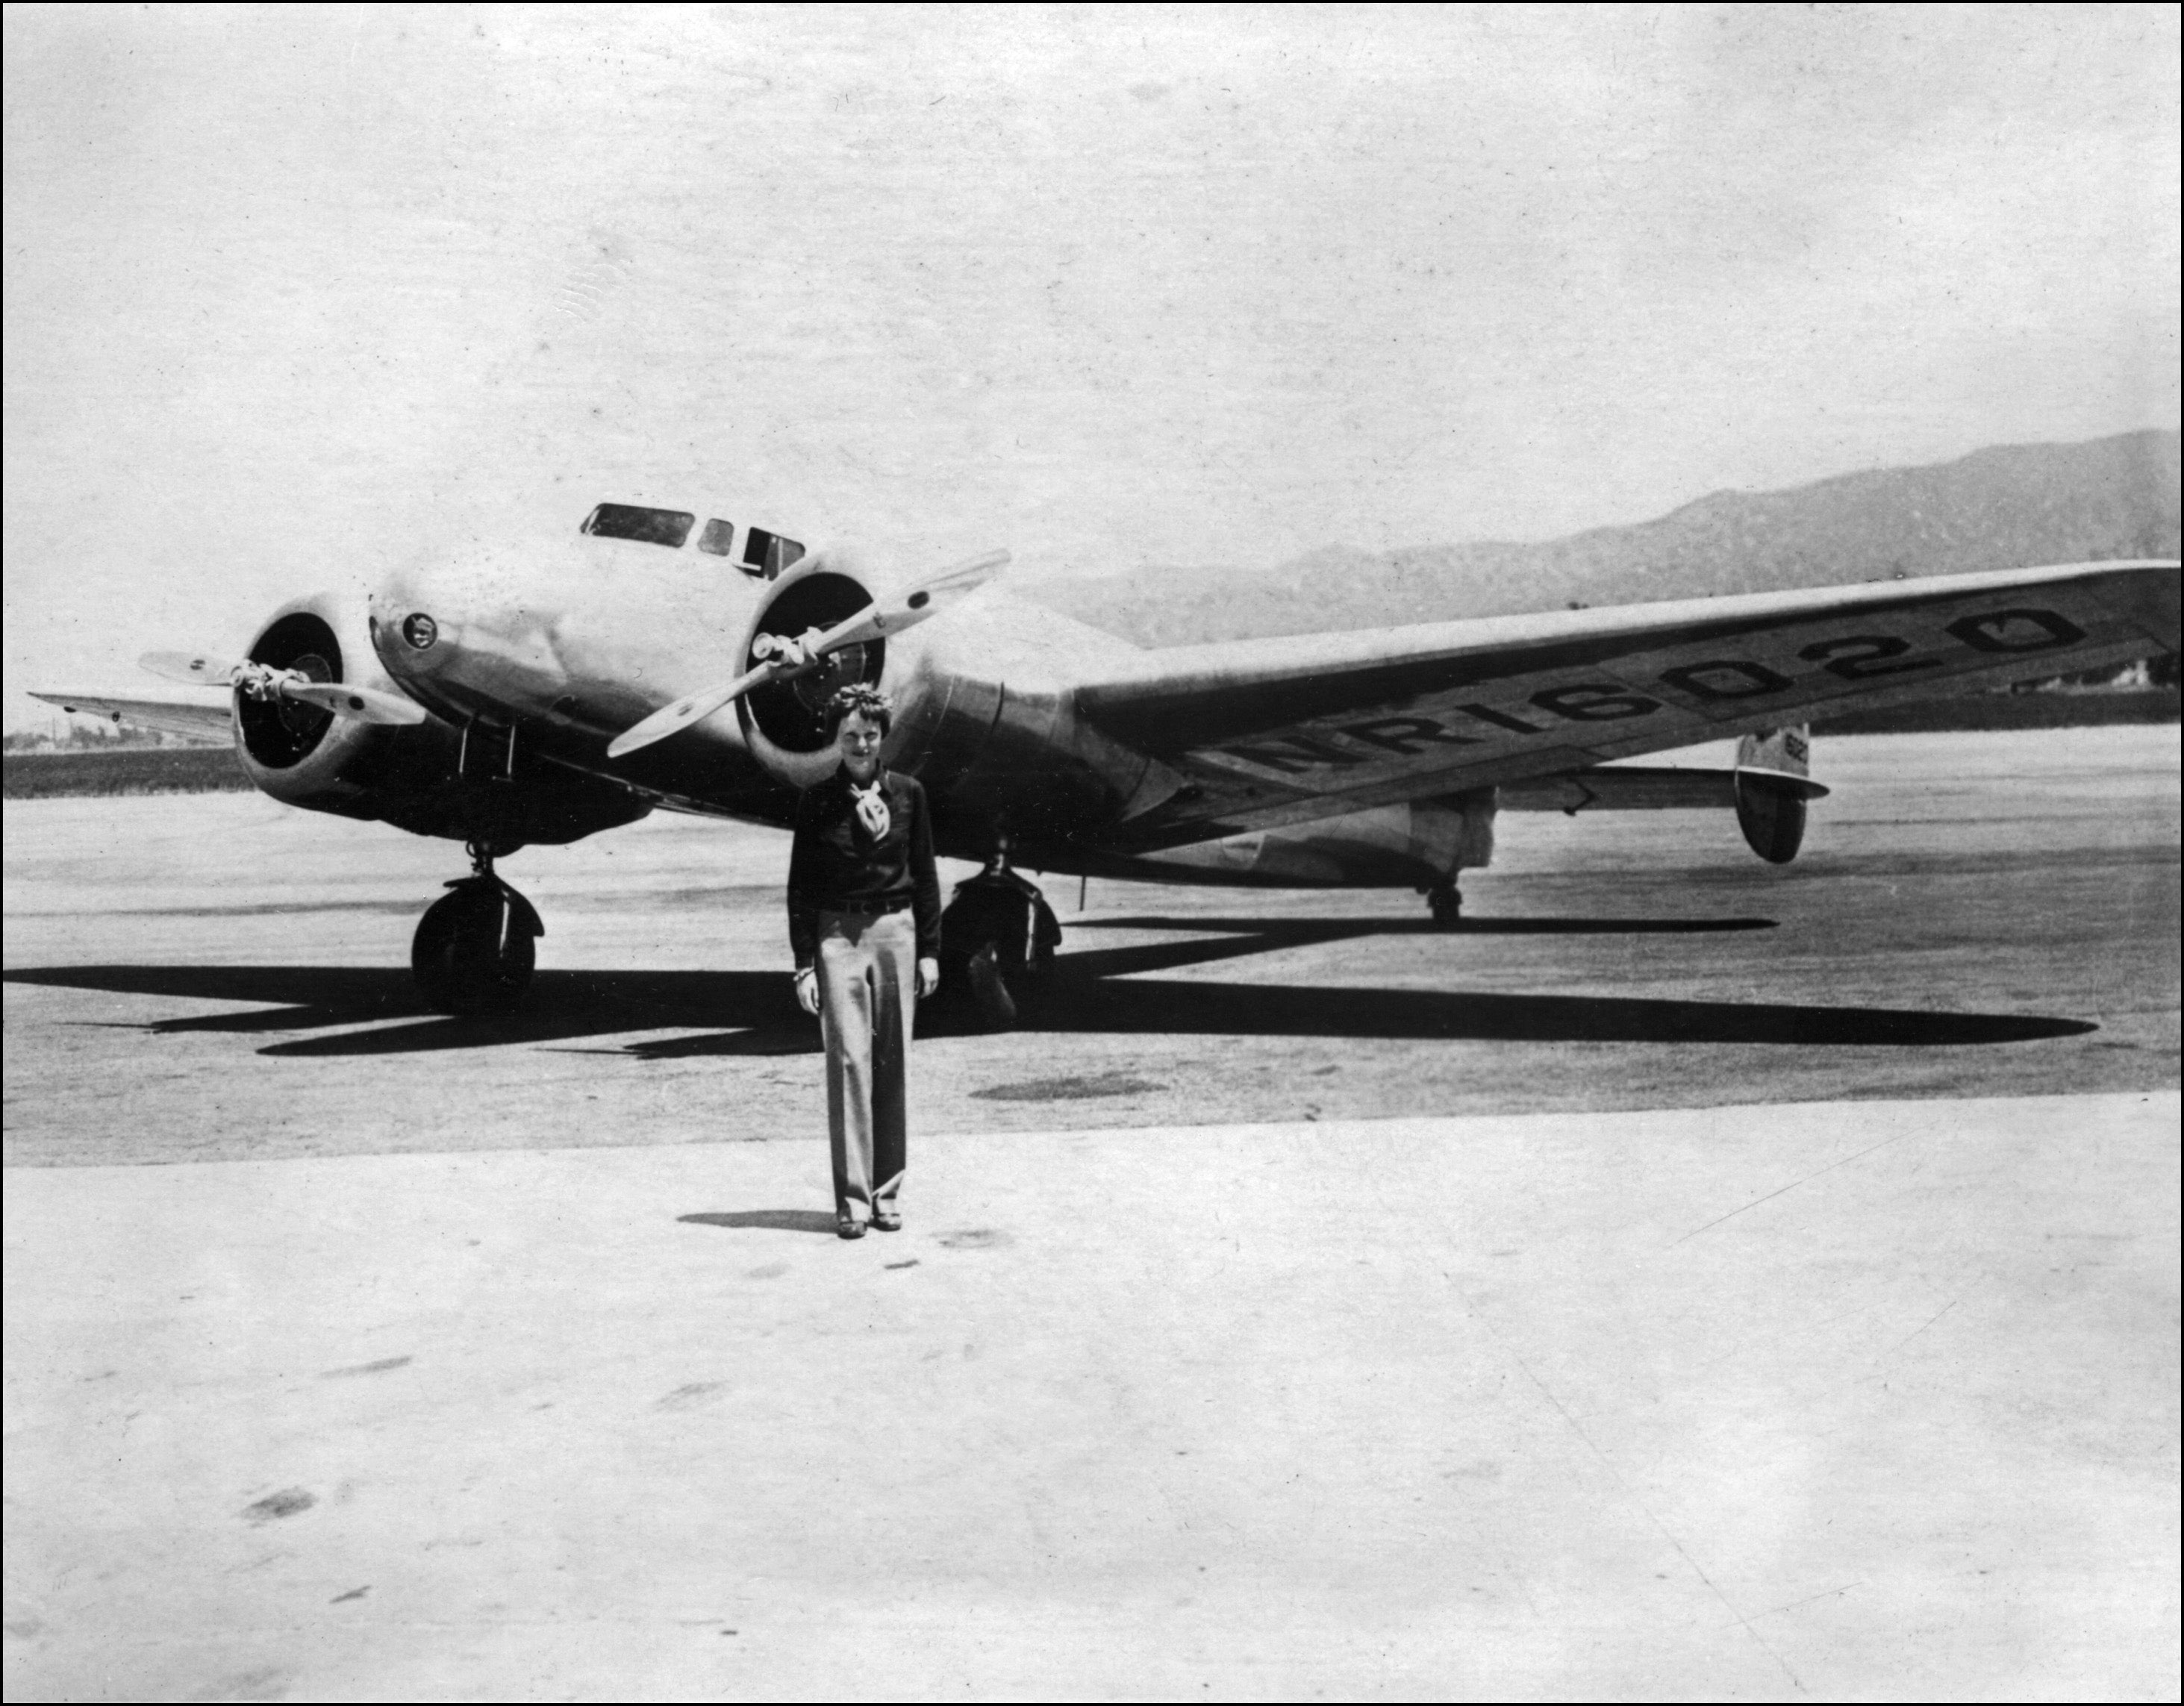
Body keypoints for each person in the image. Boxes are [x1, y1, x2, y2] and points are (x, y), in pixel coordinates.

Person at [787, 685, 942, 1240]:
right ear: (836, 739)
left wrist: (929, 951)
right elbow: (800, 887)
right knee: (849, 1065)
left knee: (891, 1063)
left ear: (883, 737)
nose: (859, 744)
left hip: (896, 933)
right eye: (849, 735)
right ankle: (852, 1201)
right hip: (837, 936)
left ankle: (887, 1193)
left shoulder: (910, 794)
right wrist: (804, 963)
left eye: (869, 734)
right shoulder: (816, 801)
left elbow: (924, 874)